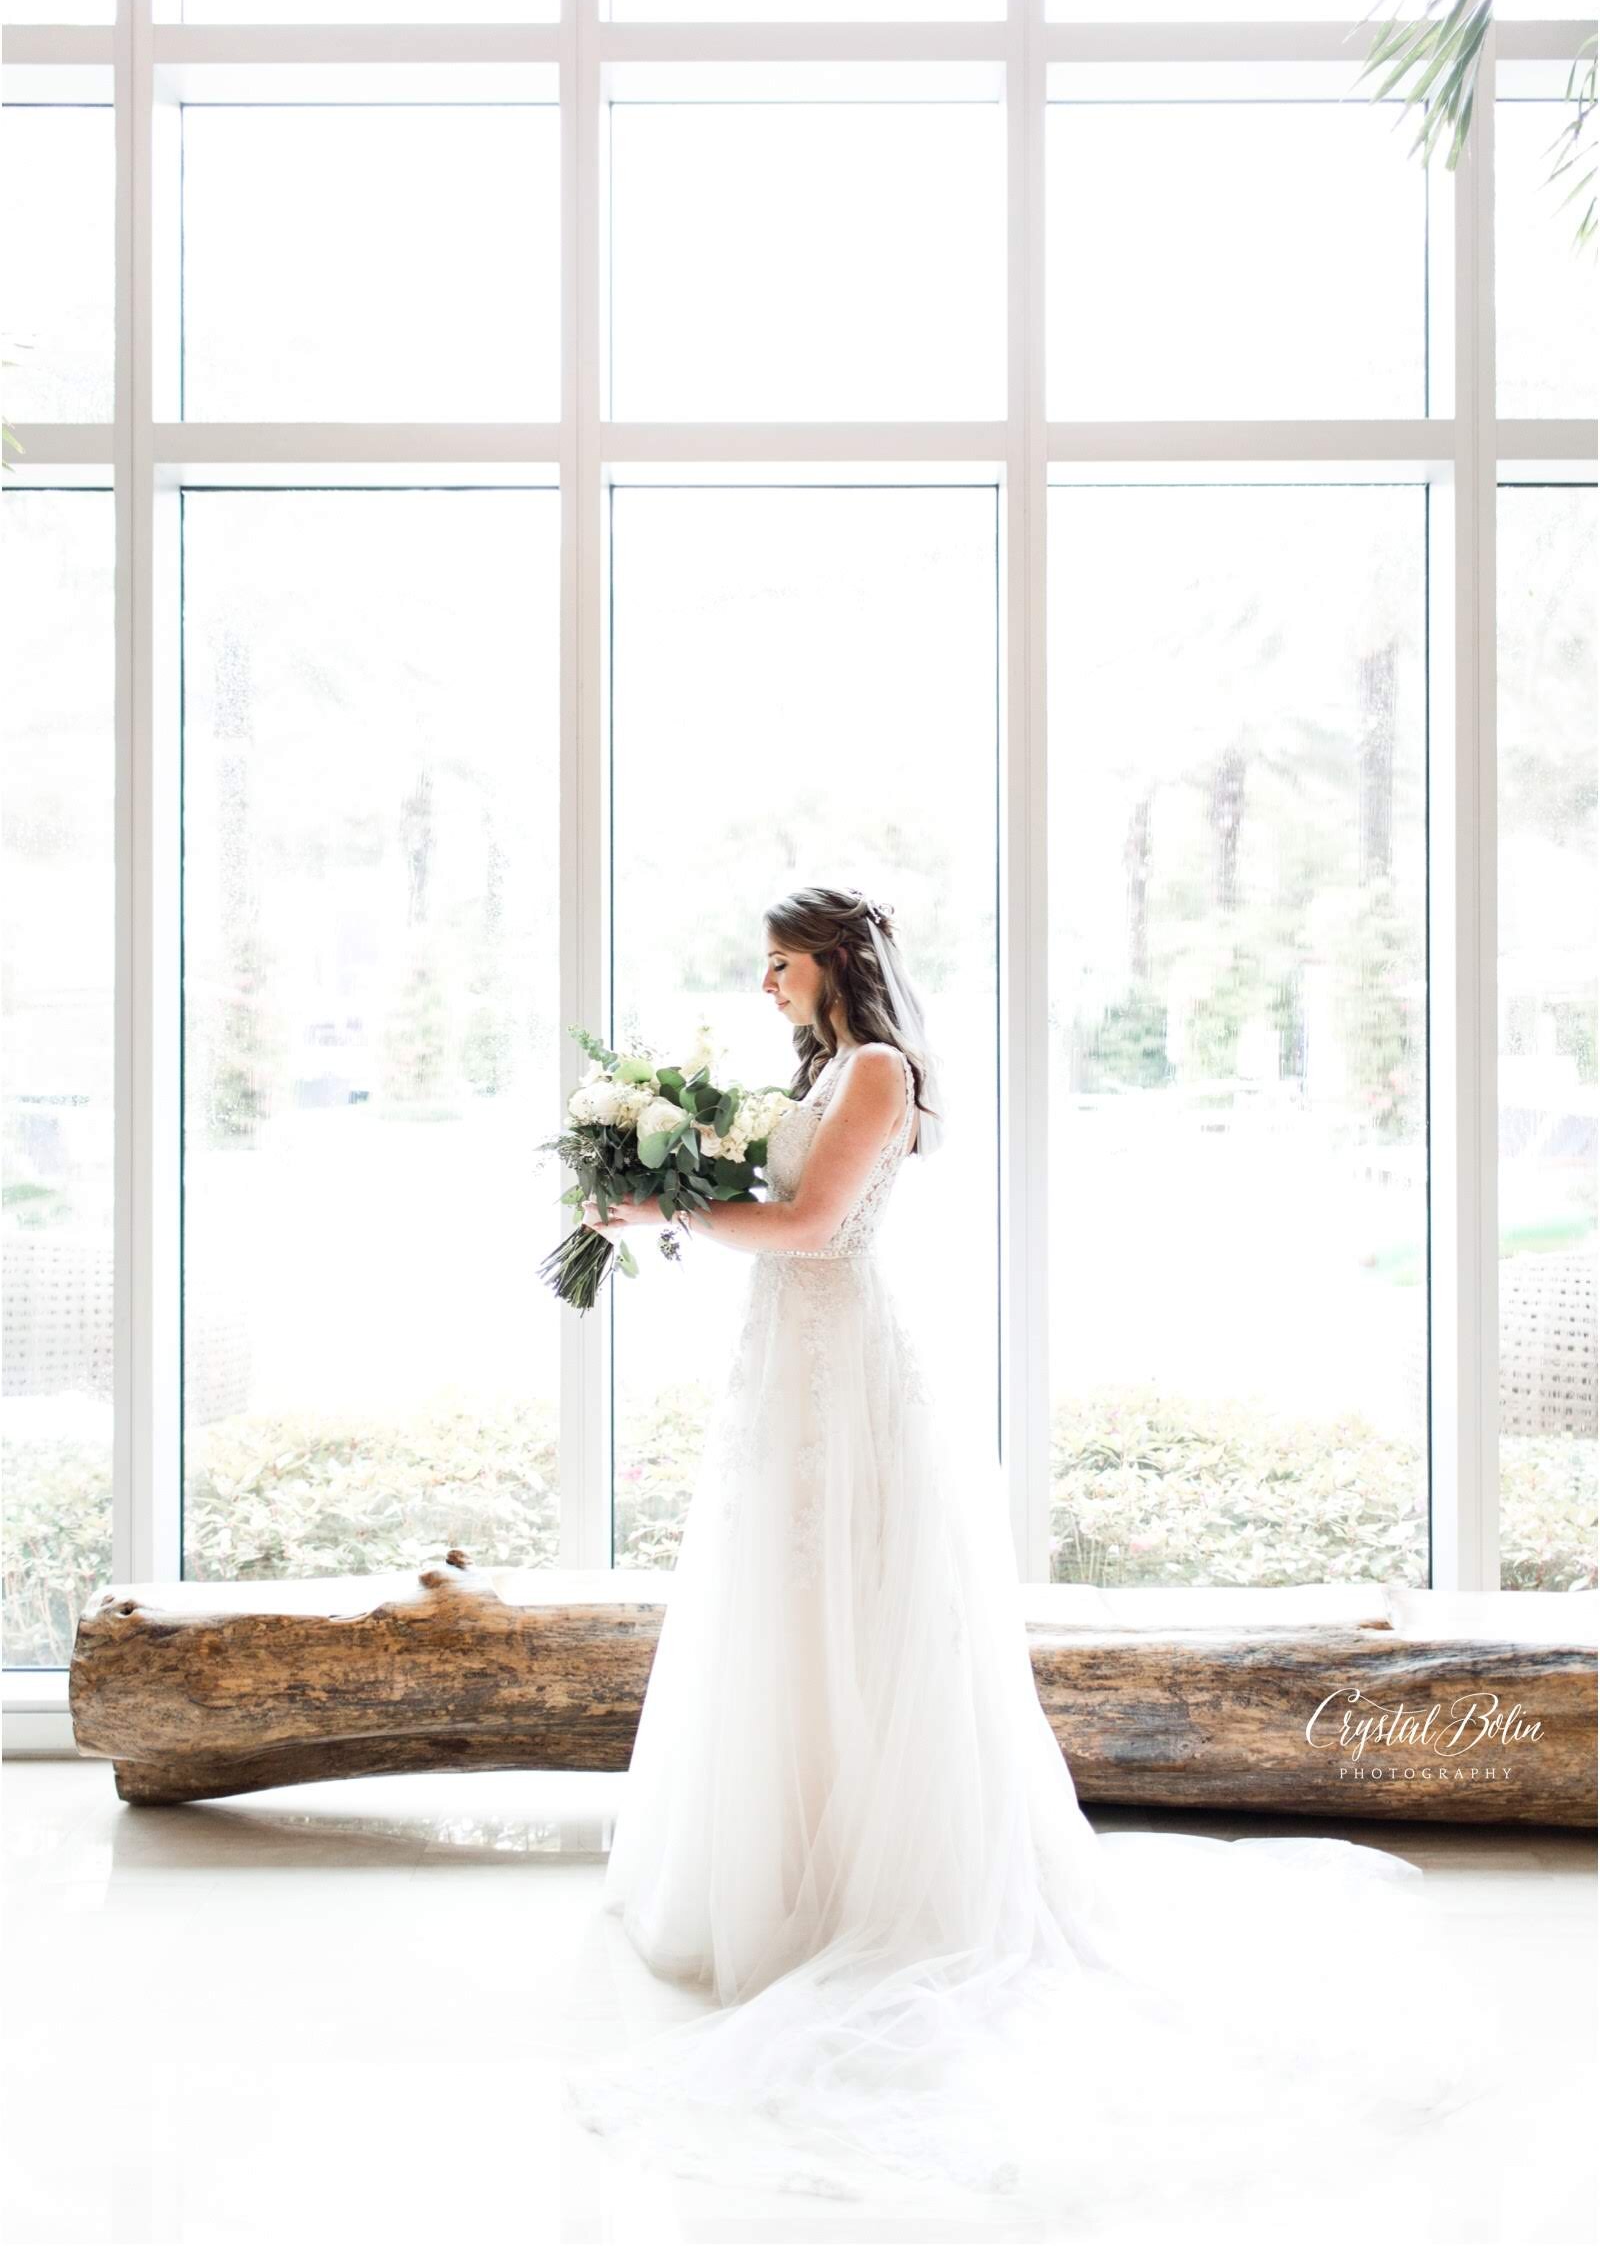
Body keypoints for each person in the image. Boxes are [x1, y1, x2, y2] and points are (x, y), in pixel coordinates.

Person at [564, 883, 1490, 2227]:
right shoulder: (819, 1067)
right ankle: (781, 1866)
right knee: (781, 1608)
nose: (764, 986)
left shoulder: (879, 1069)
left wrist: (663, 1217)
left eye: (778, 964)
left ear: (834, 961)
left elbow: (819, 1230)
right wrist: (670, 1180)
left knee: (859, 1613)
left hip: (843, 1371)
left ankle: (873, 1886)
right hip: (783, 1370)